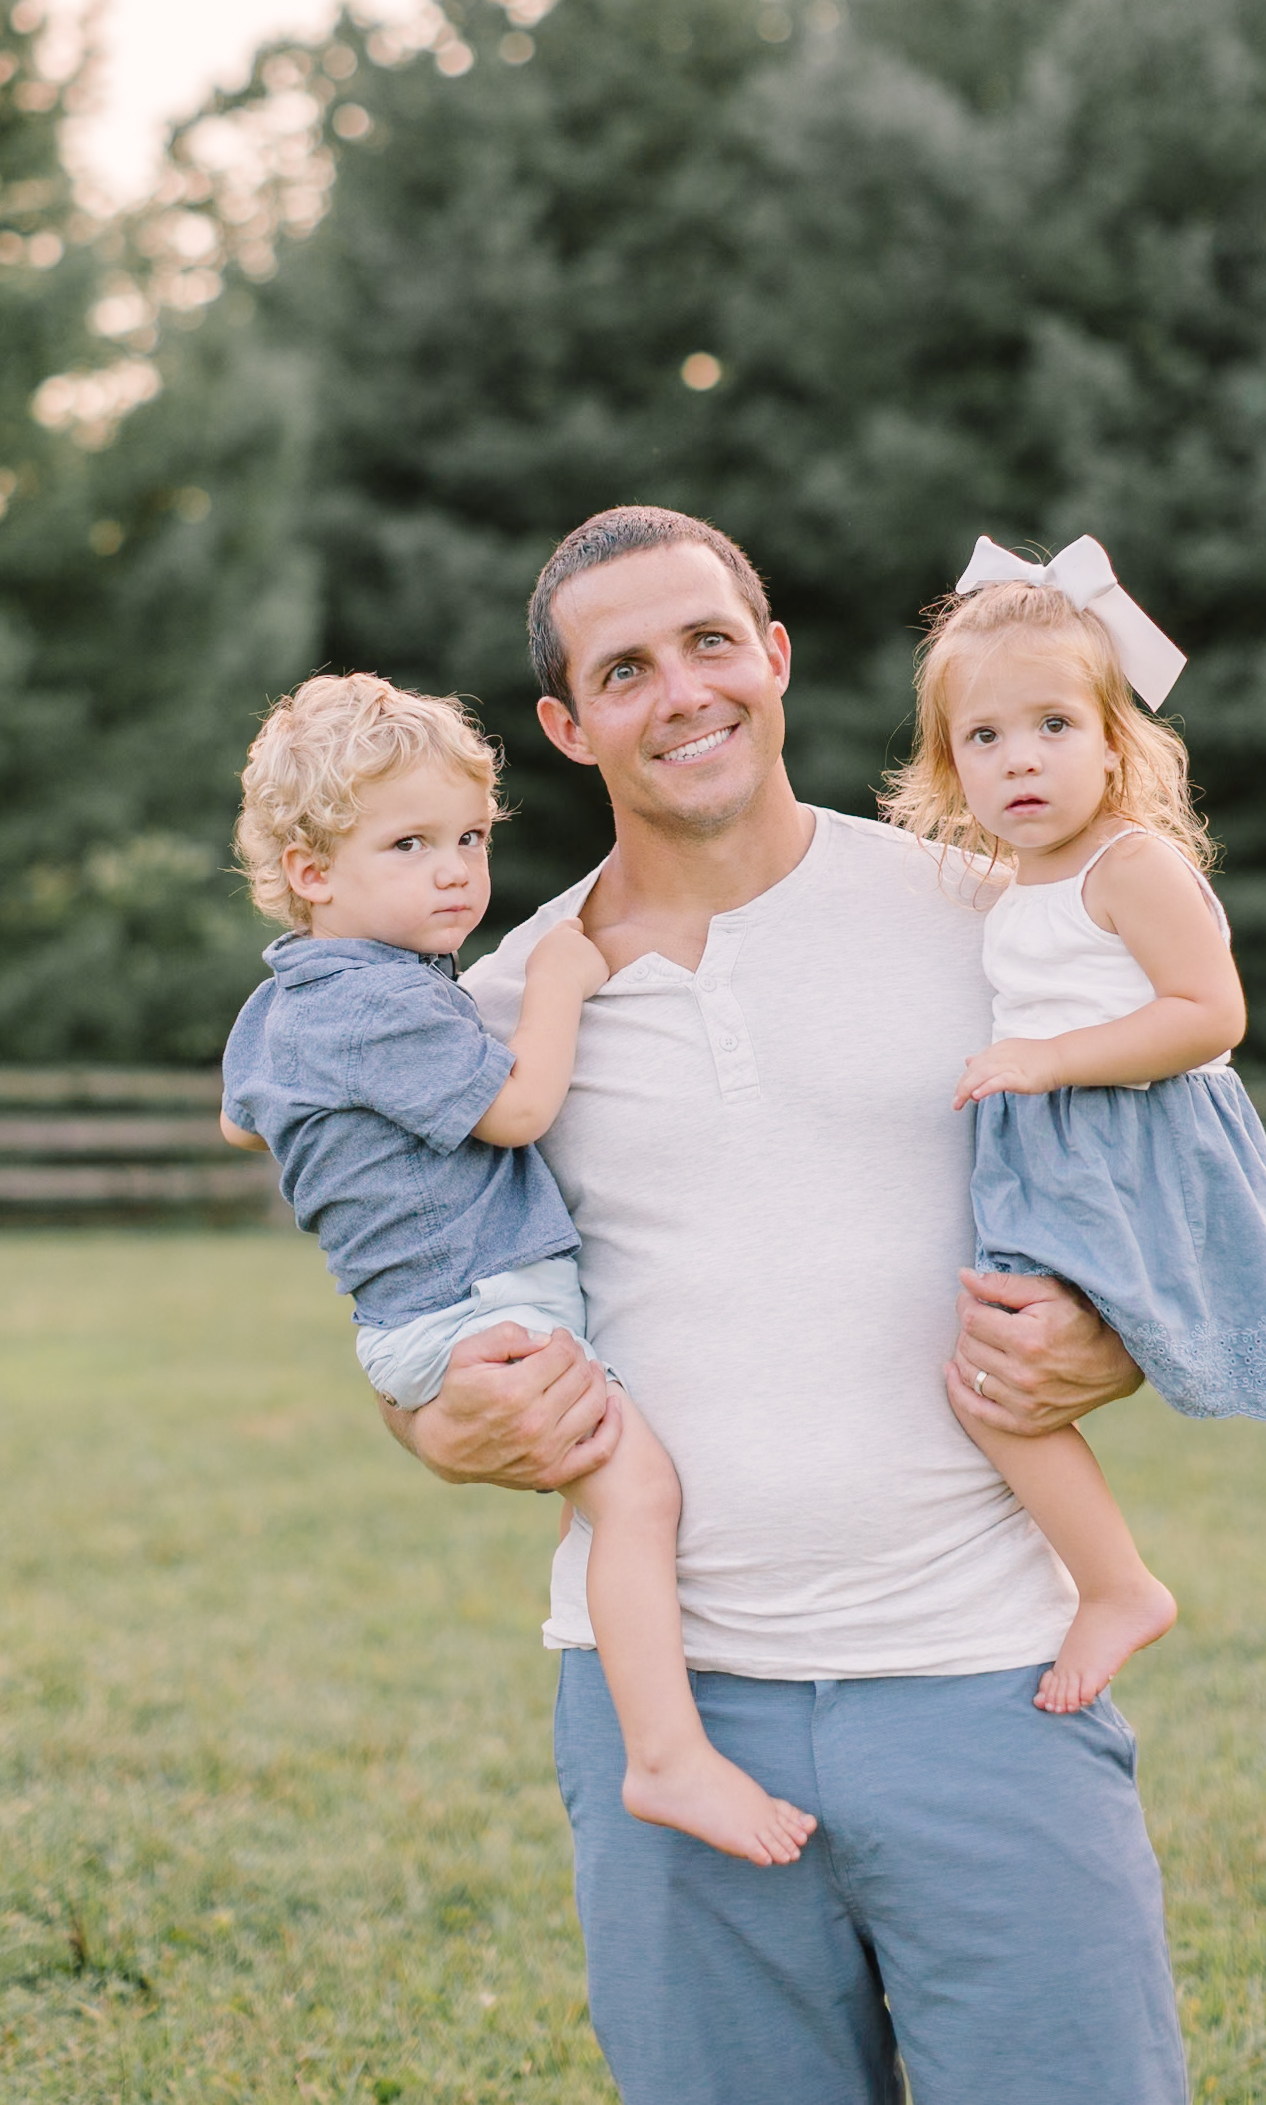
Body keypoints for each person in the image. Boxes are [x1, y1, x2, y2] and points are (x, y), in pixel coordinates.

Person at [382, 506, 1191, 2105]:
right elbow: (413, 1305)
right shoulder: (494, 1013)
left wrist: (1116, 1338)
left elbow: (1168, 1186)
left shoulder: (986, 910)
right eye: (624, 668)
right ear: (566, 725)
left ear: (775, 656)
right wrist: (433, 1420)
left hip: (991, 1676)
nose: (679, 691)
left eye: (706, 642)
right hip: (670, 1715)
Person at [218, 672, 816, 1870]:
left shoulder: (291, 997)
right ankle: (663, 1755)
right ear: (310, 871)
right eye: (408, 845)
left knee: (614, 1495)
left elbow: (244, 1120)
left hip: (423, 1314)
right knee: (634, 1497)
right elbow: (519, 1105)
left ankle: (662, 1747)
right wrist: (555, 976)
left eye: (468, 840)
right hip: (479, 1307)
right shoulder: (378, 1005)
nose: (455, 872)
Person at [883, 545, 1266, 1719]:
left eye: (1053, 724)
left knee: (990, 1380)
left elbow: (1209, 1014)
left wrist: (1048, 1060)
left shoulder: (1133, 864)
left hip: (1128, 1142)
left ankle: (1114, 1584)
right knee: (991, 1379)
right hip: (1053, 1146)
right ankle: (1099, 1579)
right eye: (982, 737)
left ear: (1114, 741)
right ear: (946, 763)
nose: (1018, 757)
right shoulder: (1009, 879)